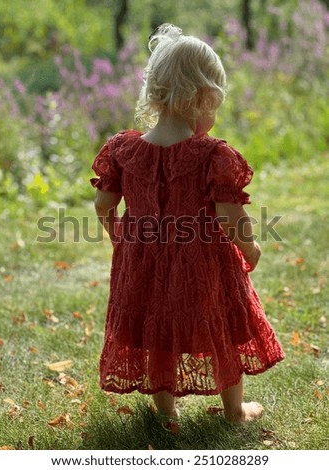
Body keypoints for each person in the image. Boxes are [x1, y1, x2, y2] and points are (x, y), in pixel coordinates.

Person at [90, 24, 285, 427]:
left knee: (154, 329)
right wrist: (250, 249)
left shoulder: (122, 149)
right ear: (203, 98)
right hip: (204, 267)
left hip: (141, 264)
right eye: (214, 105)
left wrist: (121, 241)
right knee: (224, 325)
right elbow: (231, 218)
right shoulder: (213, 155)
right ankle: (234, 411)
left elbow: (104, 203)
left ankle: (166, 412)